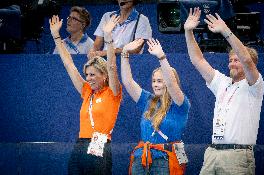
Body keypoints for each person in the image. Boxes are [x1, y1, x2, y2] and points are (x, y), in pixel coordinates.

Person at [184, 7, 264, 175]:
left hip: (237, 156)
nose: (231, 63)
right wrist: (188, 32)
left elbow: (247, 60)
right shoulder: (222, 82)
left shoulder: (255, 85)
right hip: (213, 153)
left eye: (236, 60)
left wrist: (226, 32)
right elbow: (197, 60)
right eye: (230, 60)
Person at [49, 14, 122, 174]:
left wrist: (108, 37)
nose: (88, 79)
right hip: (80, 146)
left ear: (103, 75)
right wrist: (56, 36)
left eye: (93, 75)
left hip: (101, 147)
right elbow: (69, 64)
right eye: (87, 74)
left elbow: (111, 66)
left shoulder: (113, 92)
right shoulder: (87, 91)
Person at [121, 38, 190, 174]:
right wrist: (125, 53)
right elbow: (128, 82)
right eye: (154, 81)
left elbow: (171, 85)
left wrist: (161, 57)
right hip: (142, 158)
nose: (155, 84)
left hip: (165, 160)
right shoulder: (148, 99)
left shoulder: (180, 104)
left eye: (160, 81)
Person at [88, 0, 152, 58]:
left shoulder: (142, 20)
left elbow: (136, 50)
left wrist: (109, 52)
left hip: (128, 61)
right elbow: (97, 43)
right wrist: (92, 51)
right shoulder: (107, 16)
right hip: (105, 60)